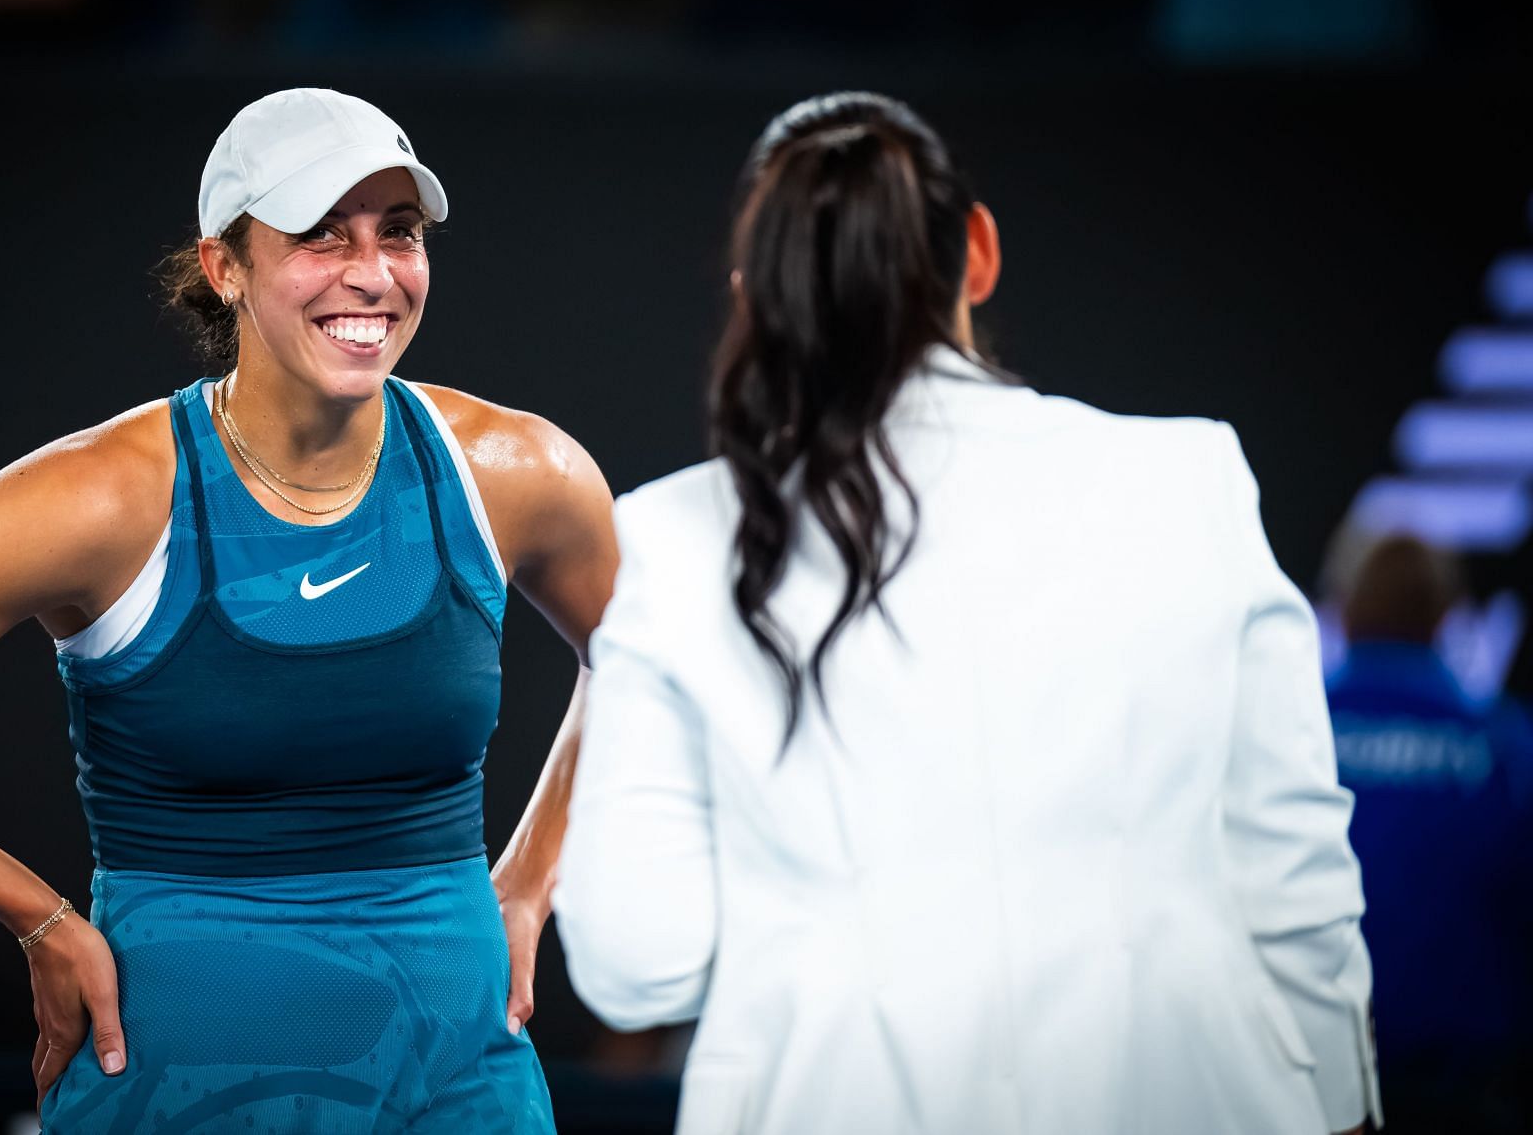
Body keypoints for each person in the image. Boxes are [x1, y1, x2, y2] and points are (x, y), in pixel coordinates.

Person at [0, 87, 616, 1133]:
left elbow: (652, 661)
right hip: (184, 1081)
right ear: (224, 266)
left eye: (399, 234)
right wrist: (37, 916)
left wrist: (532, 877)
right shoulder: (104, 496)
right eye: (322, 236)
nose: (373, 272)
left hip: (461, 1072)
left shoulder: (515, 470)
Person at [553, 91, 1380, 1135]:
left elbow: (638, 962)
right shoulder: (1189, 474)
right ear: (977, 253)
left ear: (753, 295)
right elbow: (1297, 876)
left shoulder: (671, 536)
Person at [1325, 533, 1532, 1132]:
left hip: (1317, 1100)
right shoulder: (1505, 751)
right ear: (1447, 616)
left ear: (1341, 607)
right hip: (1465, 1094)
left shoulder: (1290, 741)